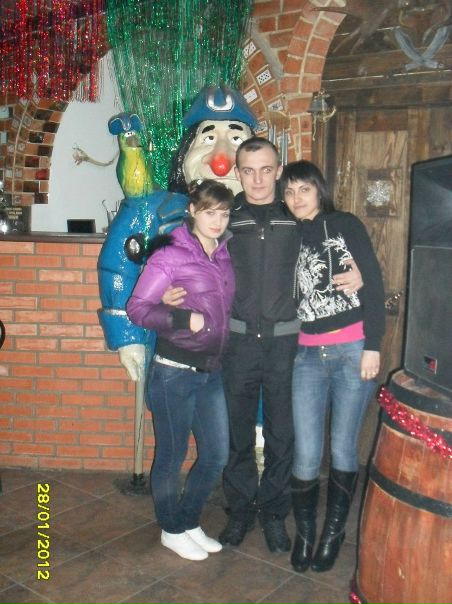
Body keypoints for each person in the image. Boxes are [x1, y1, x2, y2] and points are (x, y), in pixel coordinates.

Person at [163, 137, 363, 554]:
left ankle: (274, 513)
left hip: (287, 345)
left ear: (278, 170)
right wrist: (167, 288)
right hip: (236, 343)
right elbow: (185, 252)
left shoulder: (297, 217)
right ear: (238, 172)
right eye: (249, 170)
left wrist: (357, 270)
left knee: (281, 434)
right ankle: (239, 511)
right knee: (237, 433)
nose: (257, 179)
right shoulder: (225, 218)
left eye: (266, 169)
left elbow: (334, 245)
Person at [280, 160, 385, 573]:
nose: (296, 198)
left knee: (342, 446)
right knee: (306, 453)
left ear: (319, 191)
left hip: (351, 349)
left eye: (304, 189)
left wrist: (373, 346)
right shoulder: (290, 234)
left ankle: (333, 533)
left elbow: (373, 281)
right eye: (289, 192)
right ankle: (306, 534)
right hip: (307, 355)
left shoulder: (344, 224)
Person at [126, 179, 235, 561]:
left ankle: (188, 521)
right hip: (174, 371)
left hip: (211, 371)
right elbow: (137, 309)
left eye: (224, 213)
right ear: (192, 211)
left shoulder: (223, 253)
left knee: (216, 455)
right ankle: (171, 530)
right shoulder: (171, 253)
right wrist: (181, 318)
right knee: (172, 457)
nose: (217, 221)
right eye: (209, 212)